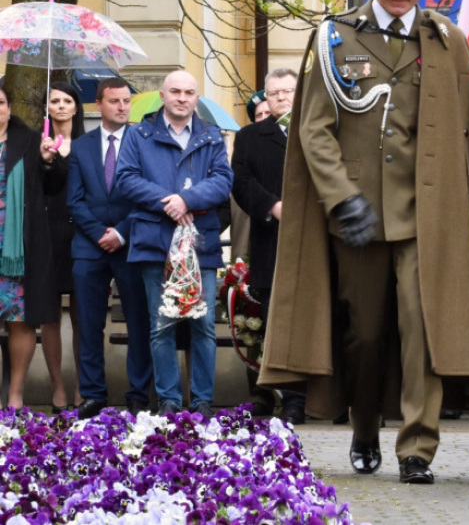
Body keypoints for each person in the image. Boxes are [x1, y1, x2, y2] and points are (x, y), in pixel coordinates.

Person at [257, 0, 469, 485]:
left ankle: (417, 448)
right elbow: (314, 129)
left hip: (429, 215)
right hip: (360, 215)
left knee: (424, 327)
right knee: (365, 335)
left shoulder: (446, 39)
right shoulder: (334, 36)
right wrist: (339, 198)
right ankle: (365, 426)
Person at [115, 70, 233, 419]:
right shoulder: (139, 135)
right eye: (176, 92)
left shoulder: (212, 136)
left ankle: (202, 403)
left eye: (189, 92)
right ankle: (167, 400)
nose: (182, 98)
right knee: (161, 324)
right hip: (155, 241)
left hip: (201, 243)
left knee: (204, 325)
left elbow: (223, 181)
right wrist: (168, 201)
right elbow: (126, 178)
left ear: (197, 98)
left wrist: (187, 199)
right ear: (163, 96)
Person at [68, 78, 153, 419]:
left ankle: (137, 395)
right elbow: (74, 201)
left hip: (132, 245)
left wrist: (120, 233)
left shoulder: (144, 143)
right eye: (114, 101)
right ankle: (92, 395)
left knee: (138, 322)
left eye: (126, 101)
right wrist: (99, 233)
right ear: (98, 105)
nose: (122, 107)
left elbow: (149, 197)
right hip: (88, 249)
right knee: (89, 325)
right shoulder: (80, 146)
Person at [231, 68, 306, 425]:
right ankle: (276, 396)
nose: (282, 98)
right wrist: (273, 207)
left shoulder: (314, 129)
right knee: (272, 324)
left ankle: (302, 398)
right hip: (270, 240)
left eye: (289, 91)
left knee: (306, 323)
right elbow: (241, 182)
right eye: (275, 93)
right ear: (266, 97)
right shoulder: (249, 137)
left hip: (312, 241)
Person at [0, 85, 69, 409]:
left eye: (0, 103)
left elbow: (54, 189)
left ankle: (15, 395)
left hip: (15, 247)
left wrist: (47, 162)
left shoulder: (29, 140)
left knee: (20, 319)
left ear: (9, 107)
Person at [43, 82, 87, 412]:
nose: (60, 105)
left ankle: (82, 386)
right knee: (50, 318)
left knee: (84, 316)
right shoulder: (38, 145)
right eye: (54, 100)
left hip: (84, 236)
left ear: (76, 107)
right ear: (47, 108)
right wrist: (46, 160)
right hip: (46, 235)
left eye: (66, 100)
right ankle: (57, 387)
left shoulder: (88, 145)